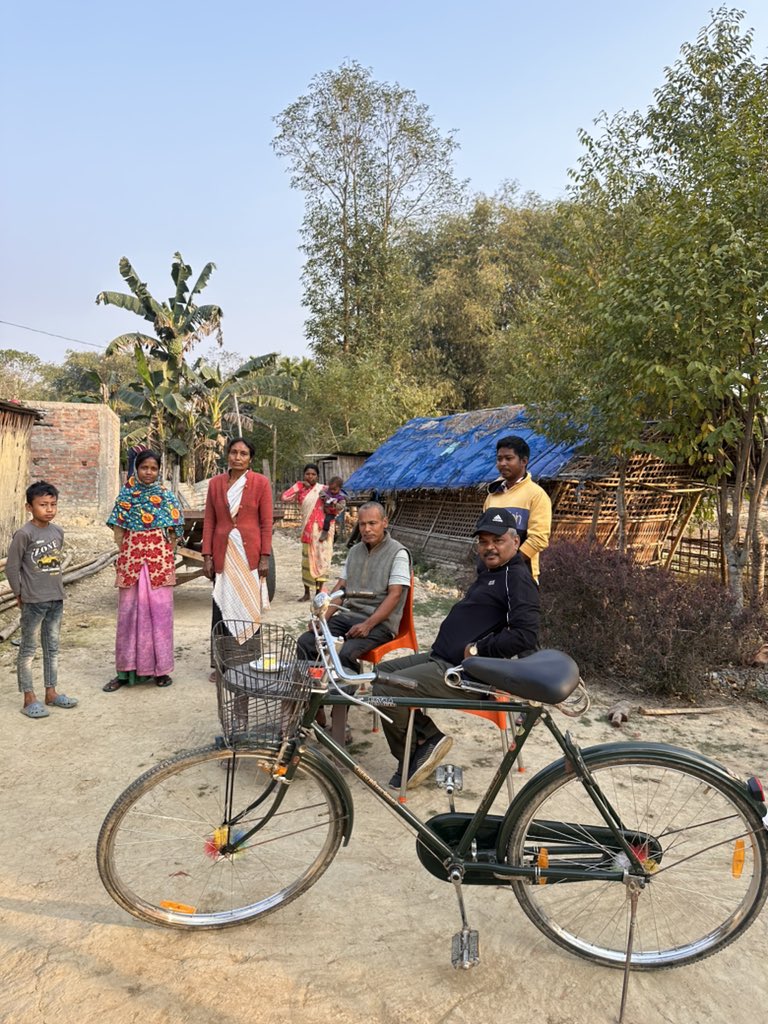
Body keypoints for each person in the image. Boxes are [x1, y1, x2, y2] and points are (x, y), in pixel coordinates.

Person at [373, 508, 540, 789]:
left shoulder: (518, 579)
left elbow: (525, 635)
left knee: (387, 689)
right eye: (484, 541)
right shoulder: (492, 572)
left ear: (516, 541)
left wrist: (478, 649)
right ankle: (427, 738)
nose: (489, 547)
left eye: (497, 541)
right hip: (442, 658)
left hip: (464, 672)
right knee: (379, 673)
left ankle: (411, 755)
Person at [296, 501, 411, 673]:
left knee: (344, 653)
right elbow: (341, 587)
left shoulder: (398, 553)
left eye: (372, 523)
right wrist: (323, 618)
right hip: (348, 617)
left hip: (379, 623)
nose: (366, 529)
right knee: (306, 642)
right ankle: (313, 692)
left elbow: (395, 595)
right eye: (363, 524)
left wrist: (367, 625)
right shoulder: (355, 551)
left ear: (384, 523)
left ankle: (345, 694)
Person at [104, 450, 185, 691]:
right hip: (131, 562)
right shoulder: (126, 497)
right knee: (128, 617)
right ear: (136, 469)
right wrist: (132, 549)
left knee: (159, 616)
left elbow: (174, 533)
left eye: (153, 468)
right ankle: (125, 672)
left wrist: (163, 553)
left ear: (159, 470)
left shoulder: (167, 497)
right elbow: (118, 533)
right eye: (144, 468)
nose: (148, 472)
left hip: (158, 563)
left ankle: (160, 671)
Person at [6, 480, 78, 719]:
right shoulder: (24, 534)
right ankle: (29, 698)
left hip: (56, 598)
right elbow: (12, 567)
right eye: (43, 504)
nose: (49, 509)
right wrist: (19, 594)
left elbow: (54, 566)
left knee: (52, 647)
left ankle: (51, 692)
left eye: (53, 504)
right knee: (28, 648)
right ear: (29, 507)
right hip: (33, 601)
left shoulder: (57, 532)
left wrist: (58, 592)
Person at [202, 437, 273, 660]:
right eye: (234, 452)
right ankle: (221, 663)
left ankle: (249, 658)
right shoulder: (215, 484)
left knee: (248, 605)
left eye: (243, 454)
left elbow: (265, 523)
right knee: (221, 607)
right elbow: (210, 521)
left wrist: (264, 557)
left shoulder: (261, 483)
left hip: (249, 555)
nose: (238, 457)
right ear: (227, 455)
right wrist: (207, 556)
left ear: (250, 458)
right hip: (223, 554)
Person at [483, 435, 552, 582]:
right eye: (499, 459)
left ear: (524, 461)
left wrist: (510, 564)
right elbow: (484, 535)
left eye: (508, 458)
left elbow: (539, 539)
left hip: (521, 574)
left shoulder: (536, 495)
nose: (502, 463)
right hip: (490, 574)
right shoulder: (492, 495)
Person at [282, 464, 333, 600]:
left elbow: (336, 505)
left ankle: (319, 592)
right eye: (307, 474)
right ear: (304, 476)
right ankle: (306, 593)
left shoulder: (324, 489)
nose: (310, 476)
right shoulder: (301, 491)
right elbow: (285, 497)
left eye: (313, 474)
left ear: (318, 476)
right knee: (306, 562)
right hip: (308, 531)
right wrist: (299, 486)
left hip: (322, 531)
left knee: (321, 560)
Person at [319, 475, 348, 541]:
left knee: (327, 520)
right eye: (330, 489)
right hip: (324, 509)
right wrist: (324, 496)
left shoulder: (341, 497)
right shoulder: (327, 491)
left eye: (334, 489)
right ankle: (334, 534)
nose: (332, 491)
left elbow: (341, 506)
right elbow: (321, 492)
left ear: (339, 488)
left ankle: (325, 532)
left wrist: (335, 504)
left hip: (332, 513)